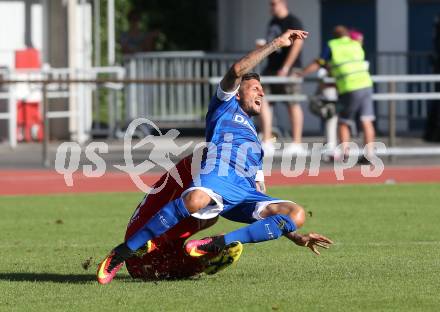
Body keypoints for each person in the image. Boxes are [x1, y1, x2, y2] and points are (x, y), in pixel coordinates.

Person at [97, 29, 325, 285]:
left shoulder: (256, 142)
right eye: (255, 89)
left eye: (262, 90)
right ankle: (124, 252)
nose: (261, 93)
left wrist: (294, 235)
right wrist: (276, 44)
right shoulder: (224, 106)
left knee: (296, 215)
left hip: (244, 192)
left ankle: (216, 244)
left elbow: (260, 189)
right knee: (197, 199)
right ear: (238, 93)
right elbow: (237, 70)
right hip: (219, 175)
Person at [124, 155, 333, 280]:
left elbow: (264, 209)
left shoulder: (245, 167)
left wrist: (294, 235)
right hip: (137, 249)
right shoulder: (210, 159)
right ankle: (155, 244)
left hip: (155, 265)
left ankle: (209, 255)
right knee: (205, 211)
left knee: (207, 215)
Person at [300, 25, 376, 162]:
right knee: (367, 120)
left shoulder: (333, 45)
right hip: (366, 84)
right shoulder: (355, 44)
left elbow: (320, 62)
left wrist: (302, 73)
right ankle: (369, 155)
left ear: (334, 36)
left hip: (349, 86)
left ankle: (345, 154)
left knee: (343, 122)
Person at [259, 0, 305, 154]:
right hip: (271, 67)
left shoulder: (293, 21)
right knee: (263, 100)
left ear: (283, 3)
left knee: (292, 102)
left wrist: (286, 67)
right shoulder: (272, 21)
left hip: (289, 69)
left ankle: (297, 142)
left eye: (274, 3)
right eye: (270, 4)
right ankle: (266, 140)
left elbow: (298, 45)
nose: (271, 7)